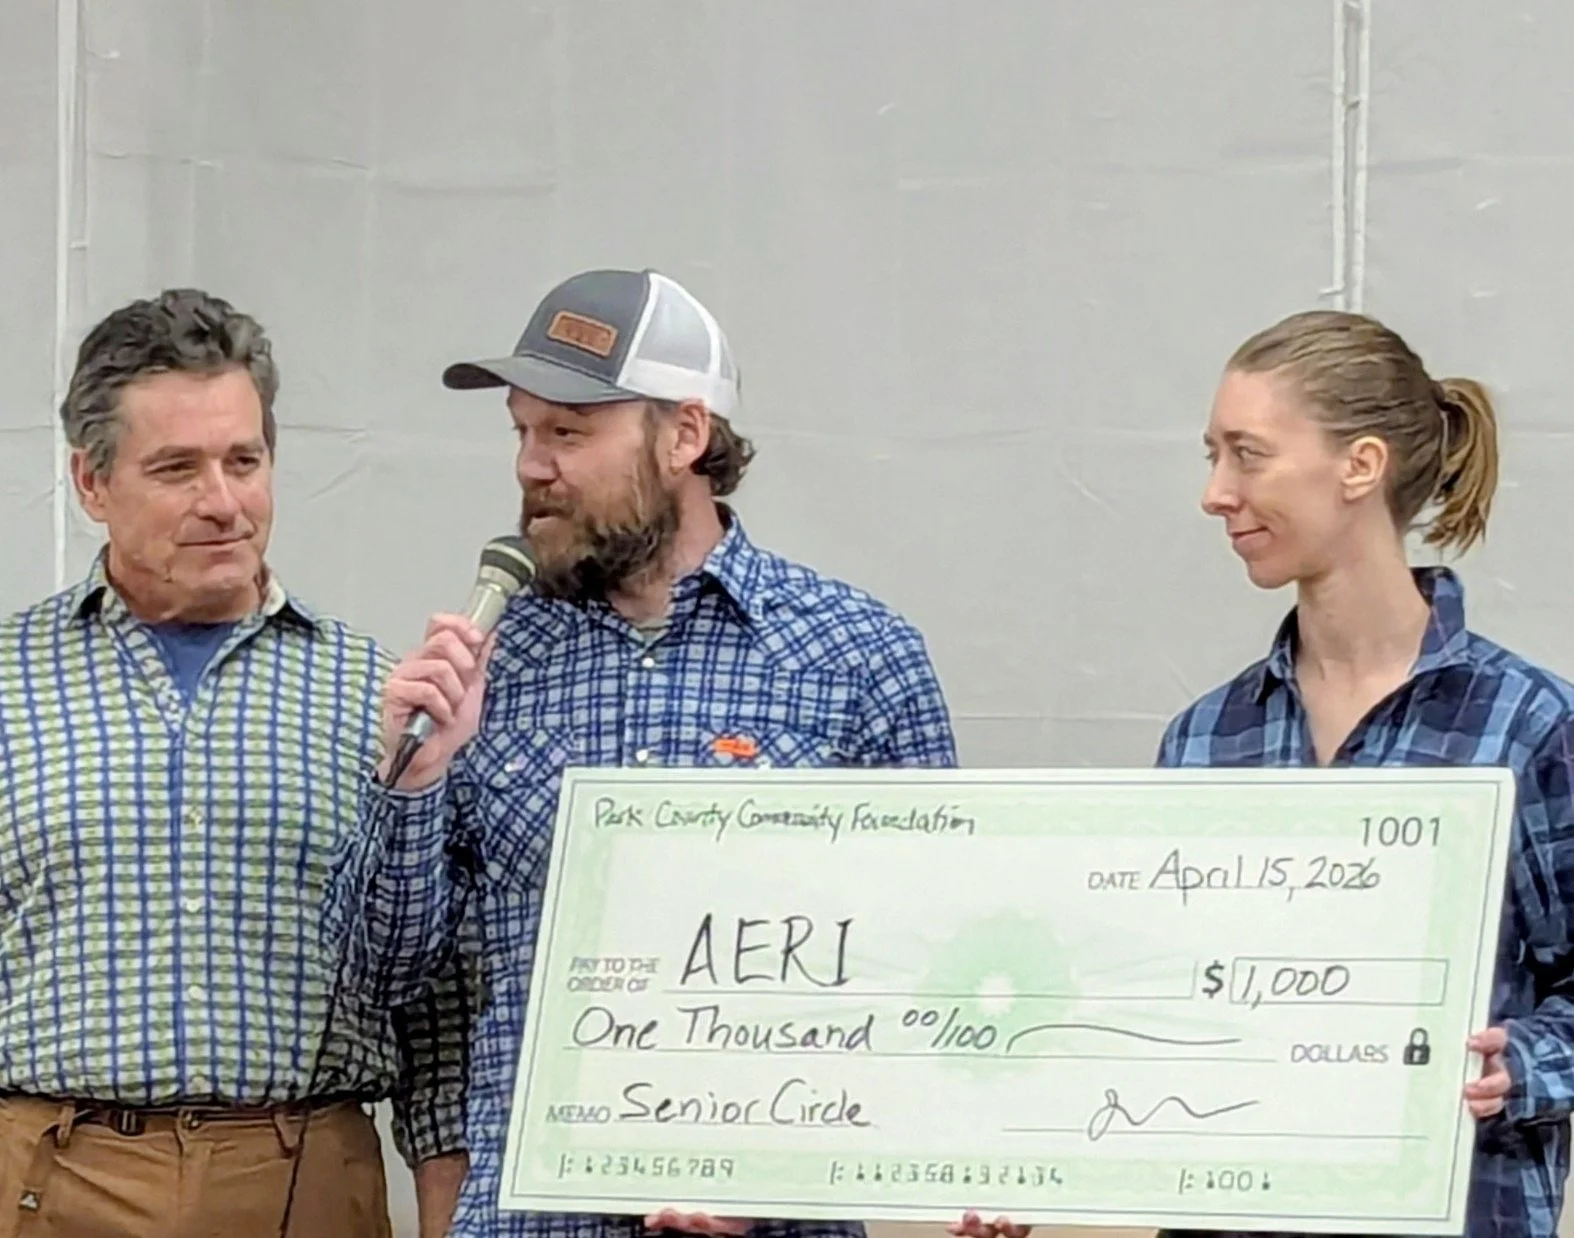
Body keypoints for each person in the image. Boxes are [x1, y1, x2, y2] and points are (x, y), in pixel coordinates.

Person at [324, 266, 958, 1238]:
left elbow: (936, 960)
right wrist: (412, 778)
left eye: (568, 433)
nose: (532, 464)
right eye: (522, 430)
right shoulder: (495, 662)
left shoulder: (855, 653)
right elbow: (377, 977)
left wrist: (779, 1158)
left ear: (684, 436)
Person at [955, 308, 1574, 1238]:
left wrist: (1513, 1065)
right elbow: (1144, 1000)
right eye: (1214, 455)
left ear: (1359, 466)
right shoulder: (1206, 739)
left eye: (1247, 454)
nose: (1215, 492)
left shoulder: (1527, 724)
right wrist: (1029, 1152)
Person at [0, 288, 471, 1237]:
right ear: (91, 483)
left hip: (306, 1180)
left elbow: (438, 1002)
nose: (222, 502)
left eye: (244, 461)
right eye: (176, 468)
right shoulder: (9, 681)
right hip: (48, 1176)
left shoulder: (379, 700)